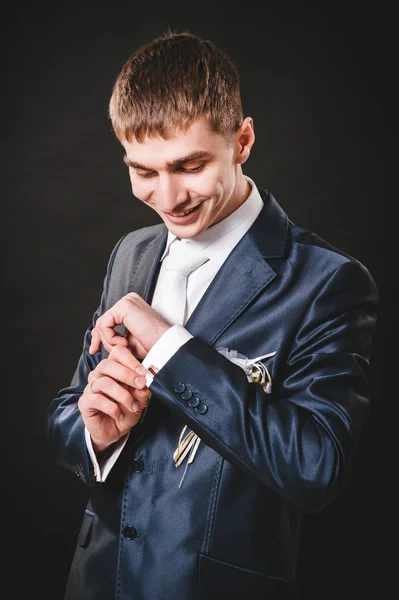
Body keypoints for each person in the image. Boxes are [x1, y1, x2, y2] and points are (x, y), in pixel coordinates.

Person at [47, 29, 379, 600]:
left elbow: (315, 467)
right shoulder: (130, 253)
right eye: (143, 171)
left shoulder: (329, 282)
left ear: (243, 140)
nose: (168, 197)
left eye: (190, 165)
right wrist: (98, 437)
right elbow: (66, 411)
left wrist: (173, 350)